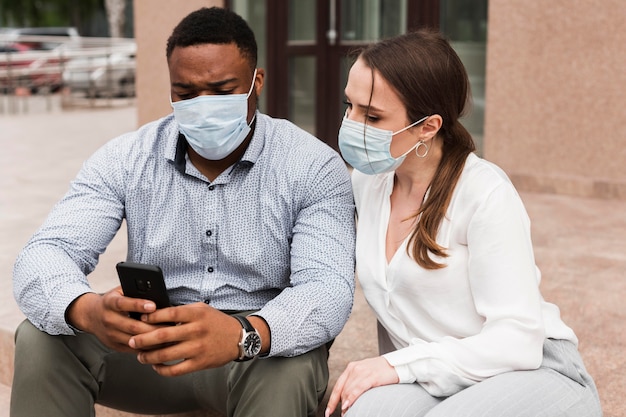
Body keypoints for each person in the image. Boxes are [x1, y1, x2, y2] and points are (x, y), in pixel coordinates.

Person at [11, 7, 356, 417]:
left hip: (254, 353)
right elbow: (44, 253)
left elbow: (327, 290)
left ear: (255, 82)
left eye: (222, 89)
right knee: (41, 337)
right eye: (187, 94)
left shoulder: (312, 166)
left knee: (290, 364)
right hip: (151, 349)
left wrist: (243, 334)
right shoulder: (128, 157)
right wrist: (89, 310)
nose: (203, 106)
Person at [325, 29, 602, 417]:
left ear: (428, 126)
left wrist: (398, 365)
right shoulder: (367, 182)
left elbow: (518, 340)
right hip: (443, 373)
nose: (351, 124)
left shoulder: (485, 193)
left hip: (534, 370)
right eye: (348, 106)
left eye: (371, 116)